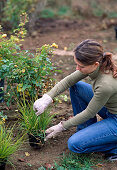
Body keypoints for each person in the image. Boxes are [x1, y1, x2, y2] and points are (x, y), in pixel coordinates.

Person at [33, 39, 117, 161]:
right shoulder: (96, 65)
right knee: (77, 87)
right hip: (110, 109)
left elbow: (89, 112)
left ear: (95, 64)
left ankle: (113, 147)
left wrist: (62, 126)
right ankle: (85, 129)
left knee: (75, 144)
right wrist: (47, 97)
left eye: (81, 66)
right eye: (76, 64)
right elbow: (68, 81)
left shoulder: (105, 84)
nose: (77, 68)